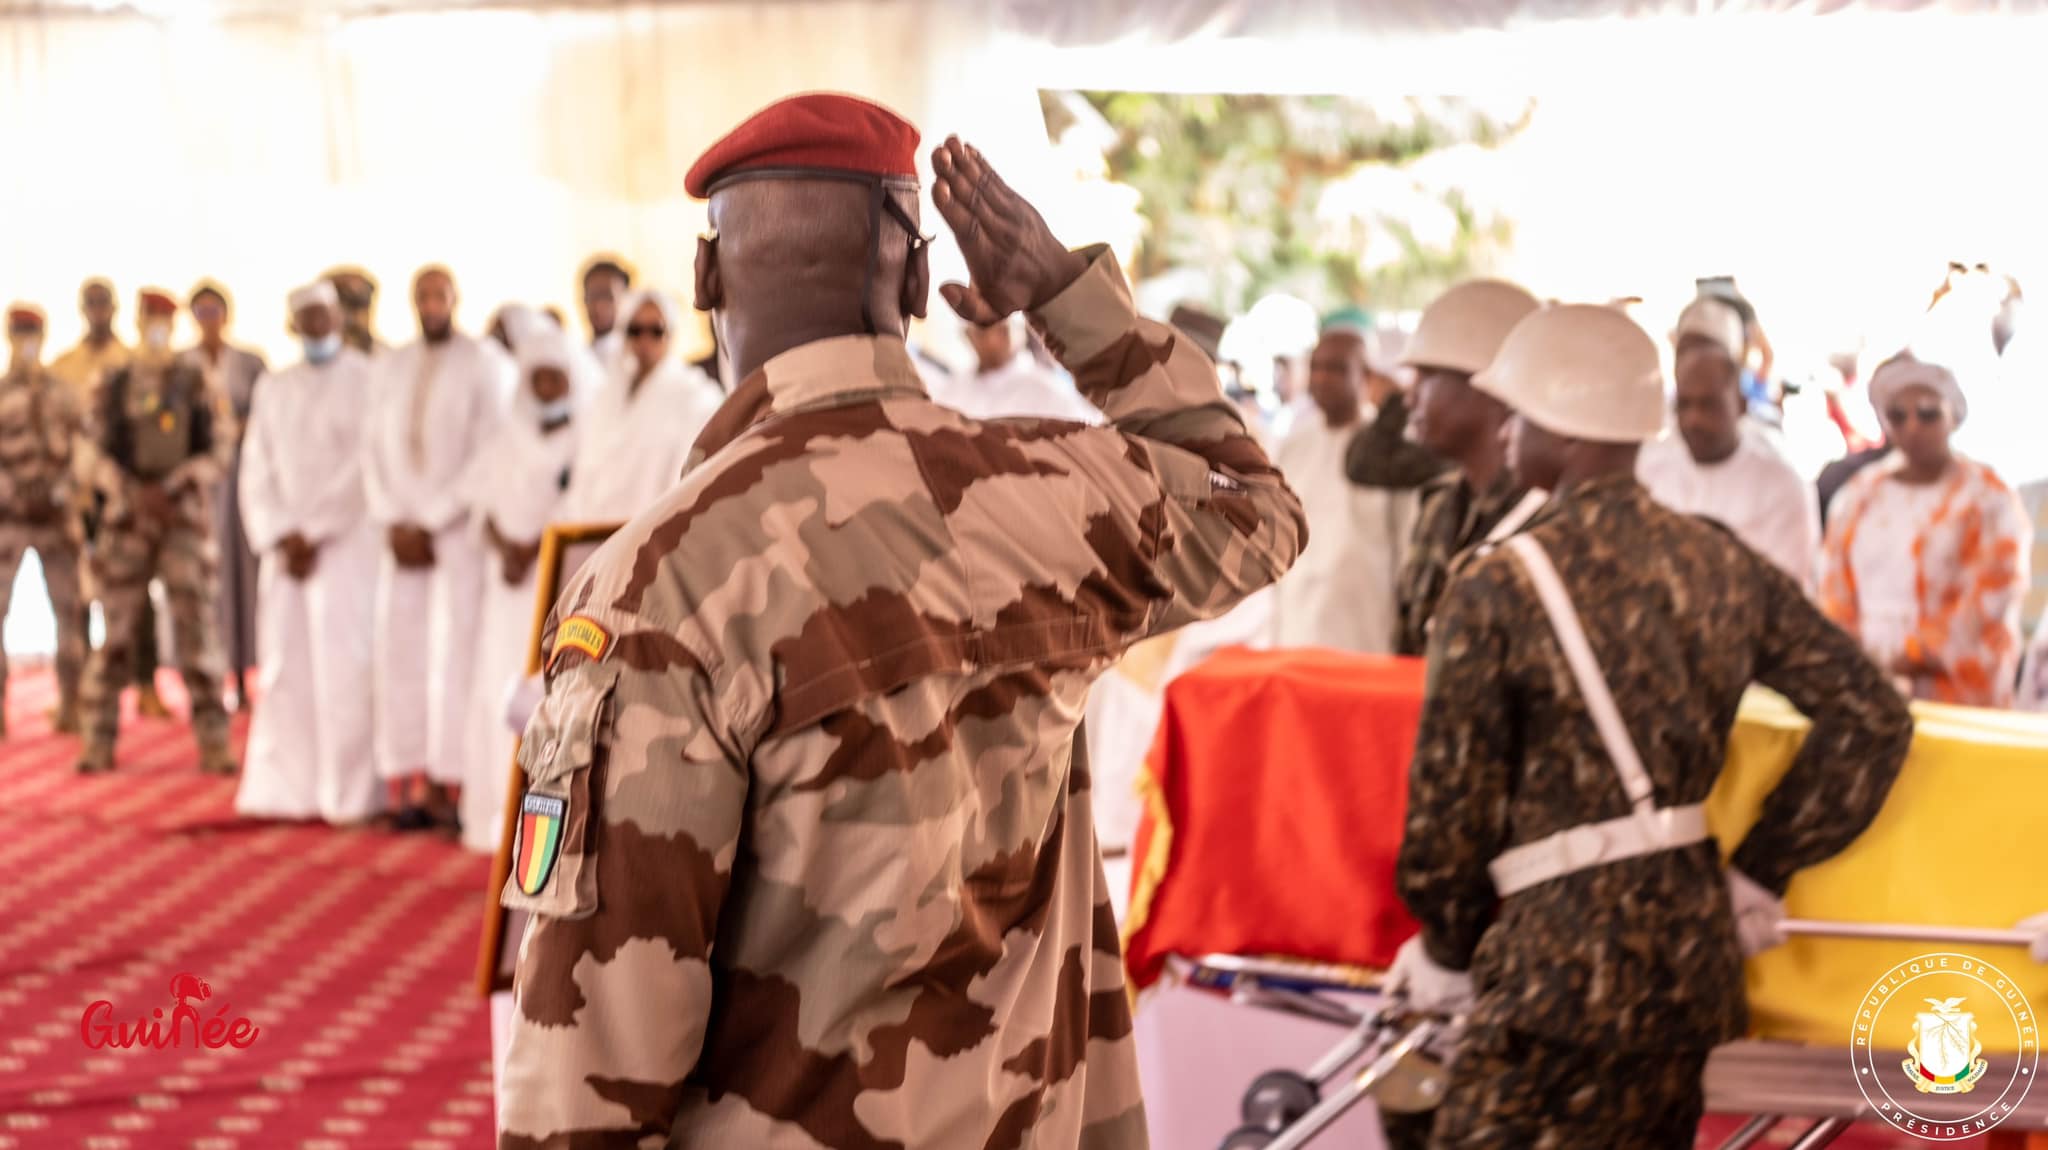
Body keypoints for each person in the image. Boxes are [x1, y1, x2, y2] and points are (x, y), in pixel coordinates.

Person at [496, 95, 1304, 1149]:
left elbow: (590, 1056)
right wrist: (1067, 294)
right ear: (920, 280)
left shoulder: (661, 584)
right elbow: (1254, 502)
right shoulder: (1054, 494)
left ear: (703, 281)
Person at [1389, 303, 1913, 1148]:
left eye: (1519, 412)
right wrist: (1761, 870)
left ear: (1560, 427)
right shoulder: (1717, 559)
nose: (1510, 431)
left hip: (1550, 979)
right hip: (1685, 970)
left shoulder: (1496, 585)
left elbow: (1451, 809)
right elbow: (1872, 717)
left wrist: (1446, 947)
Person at [362, 265, 508, 830]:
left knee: (453, 656)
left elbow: (488, 450)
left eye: (438, 294)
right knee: (401, 656)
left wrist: (430, 519)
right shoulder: (392, 365)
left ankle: (452, 788)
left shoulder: (482, 364)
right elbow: (371, 450)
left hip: (452, 538)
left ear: (455, 299)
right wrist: (393, 520)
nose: (430, 303)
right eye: (421, 294)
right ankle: (407, 784)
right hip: (400, 538)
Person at [233, 282, 379, 823]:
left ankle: (349, 795)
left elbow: (366, 464)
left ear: (338, 318)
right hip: (285, 551)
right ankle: (286, 789)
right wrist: (280, 531)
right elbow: (257, 465)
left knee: (345, 667)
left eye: (324, 315)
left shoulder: (367, 379)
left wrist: (313, 530)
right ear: (295, 325)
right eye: (307, 318)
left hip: (343, 547)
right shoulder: (275, 386)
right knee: (284, 667)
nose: (317, 326)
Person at [74, 290, 237, 776]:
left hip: (181, 523)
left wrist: (177, 484)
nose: (158, 328)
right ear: (139, 319)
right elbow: (88, 451)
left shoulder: (195, 381)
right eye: (152, 318)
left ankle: (214, 741)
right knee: (116, 635)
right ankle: (97, 740)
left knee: (197, 633)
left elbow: (221, 449)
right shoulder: (114, 381)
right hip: (127, 522)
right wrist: (125, 489)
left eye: (167, 319)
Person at [1818, 352, 2030, 707]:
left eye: (1928, 413)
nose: (1913, 426)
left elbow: (1987, 602)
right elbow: (1833, 591)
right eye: (1899, 416)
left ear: (1953, 416)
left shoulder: (1989, 498)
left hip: (1956, 693)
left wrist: (1905, 658)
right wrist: (1858, 662)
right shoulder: (1858, 496)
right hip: (1867, 688)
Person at [1349, 279, 1544, 657]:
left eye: (1428, 375)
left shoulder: (1544, 514)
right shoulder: (1441, 505)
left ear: (1489, 385)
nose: (1410, 395)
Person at [455, 320, 588, 854]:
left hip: (554, 582)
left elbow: (582, 504)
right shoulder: (506, 435)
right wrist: (502, 544)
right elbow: (479, 504)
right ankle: (494, 815)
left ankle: (546, 826)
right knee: (496, 689)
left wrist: (534, 547)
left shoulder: (587, 434)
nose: (548, 387)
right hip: (505, 587)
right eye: (539, 379)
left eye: (557, 377)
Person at [1639, 298, 1820, 589]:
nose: (1694, 419)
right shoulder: (1650, 468)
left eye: (1708, 404)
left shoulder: (1781, 482)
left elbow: (1788, 592)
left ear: (1741, 403)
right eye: (1684, 405)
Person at [1269, 322, 1414, 653]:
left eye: (1336, 368)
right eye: (1316, 367)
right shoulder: (1294, 445)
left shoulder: (1386, 449)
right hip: (1297, 620)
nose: (1321, 378)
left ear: (1365, 376)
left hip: (1366, 626)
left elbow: (1405, 541)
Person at [554, 288, 723, 525]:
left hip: (654, 534)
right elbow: (586, 469)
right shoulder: (607, 395)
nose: (645, 341)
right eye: (635, 330)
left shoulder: (693, 397)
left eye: (656, 331)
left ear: (670, 333)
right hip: (594, 533)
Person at [178, 283, 267, 707]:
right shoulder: (181, 367)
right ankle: (208, 680)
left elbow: (267, 419)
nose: (209, 319)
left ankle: (245, 673)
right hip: (200, 490)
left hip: (244, 484)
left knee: (244, 578)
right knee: (203, 584)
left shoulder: (250, 363)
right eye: (201, 311)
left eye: (215, 310)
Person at [0, 304, 87, 736]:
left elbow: (85, 447)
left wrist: (64, 492)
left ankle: (73, 703)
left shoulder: (64, 392)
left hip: (57, 518)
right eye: (19, 331)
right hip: (10, 519)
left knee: (70, 611)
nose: (26, 337)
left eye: (32, 330)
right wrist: (12, 494)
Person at [928, 311, 1101, 422]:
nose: (1001, 334)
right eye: (984, 330)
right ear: (968, 336)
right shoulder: (953, 388)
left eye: (1003, 327)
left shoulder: (1046, 389)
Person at [579, 254, 632, 370]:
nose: (599, 305)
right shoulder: (577, 356)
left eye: (607, 296)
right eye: (592, 296)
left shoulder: (634, 361)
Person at [326, 267, 387, 357]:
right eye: (343, 302)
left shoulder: (394, 361)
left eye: (358, 303)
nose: (351, 316)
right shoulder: (308, 368)